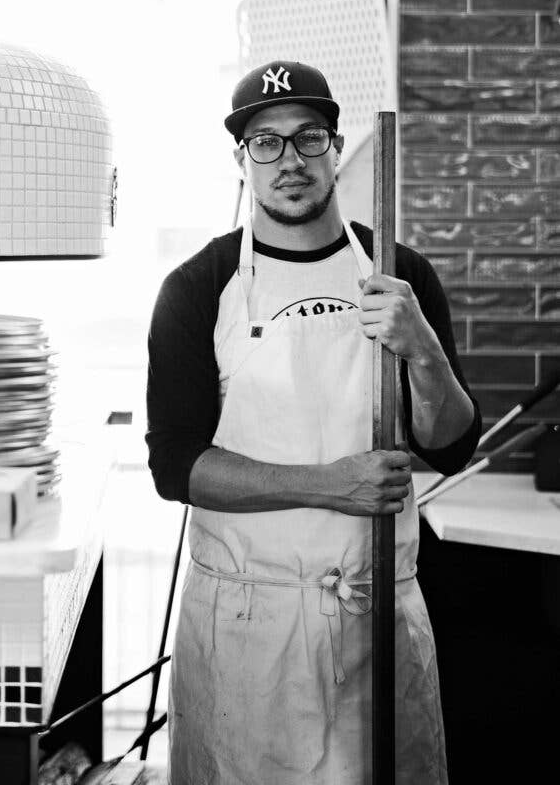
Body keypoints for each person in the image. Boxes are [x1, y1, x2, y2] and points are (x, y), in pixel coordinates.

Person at [146, 60, 481, 785]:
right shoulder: (198, 286)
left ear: (334, 148)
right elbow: (175, 467)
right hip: (247, 625)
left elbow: (452, 445)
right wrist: (330, 485)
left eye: (306, 139)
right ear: (241, 160)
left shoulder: (400, 272)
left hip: (376, 618)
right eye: (264, 143)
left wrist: (418, 345)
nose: (288, 160)